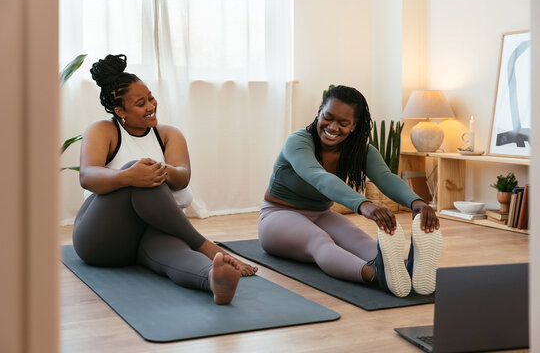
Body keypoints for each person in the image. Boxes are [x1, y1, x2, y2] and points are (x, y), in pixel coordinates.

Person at [73, 54, 257, 305]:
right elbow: (88, 175)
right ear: (120, 111)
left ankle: (213, 278)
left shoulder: (168, 135)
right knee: (140, 172)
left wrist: (155, 171)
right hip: (102, 238)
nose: (150, 105)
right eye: (140, 103)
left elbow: (182, 178)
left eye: (150, 97)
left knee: (175, 253)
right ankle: (204, 245)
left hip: (149, 233)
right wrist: (129, 175)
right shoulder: (103, 130)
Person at [258, 85, 442, 297]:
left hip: (321, 214)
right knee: (319, 241)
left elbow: (385, 177)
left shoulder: (359, 150)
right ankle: (374, 274)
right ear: (318, 113)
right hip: (277, 215)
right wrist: (364, 205)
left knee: (358, 238)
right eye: (328, 117)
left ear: (354, 125)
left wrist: (417, 202)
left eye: (343, 123)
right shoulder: (298, 142)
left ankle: (405, 267)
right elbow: (319, 177)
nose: (333, 127)